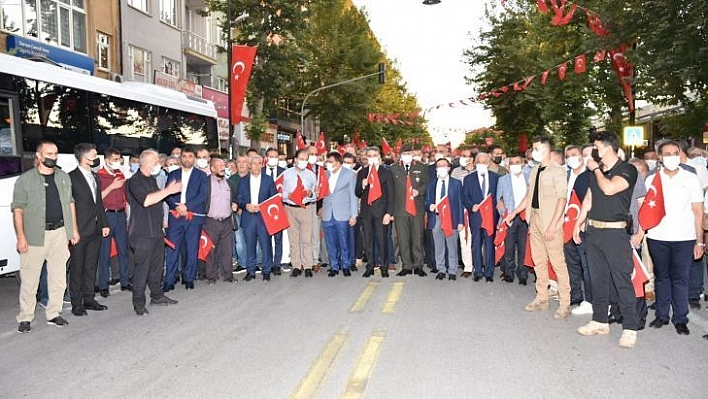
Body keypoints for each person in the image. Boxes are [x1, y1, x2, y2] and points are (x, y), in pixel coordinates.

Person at [573, 131, 639, 348]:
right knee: (597, 279)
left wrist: (595, 170)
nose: (594, 151)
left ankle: (630, 327)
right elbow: (590, 197)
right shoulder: (597, 172)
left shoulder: (627, 169)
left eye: (596, 147)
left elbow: (609, 189)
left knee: (621, 280)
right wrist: (578, 222)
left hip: (615, 233)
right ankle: (600, 320)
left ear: (607, 148)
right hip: (594, 232)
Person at [13, 141, 79, 332]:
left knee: (58, 277)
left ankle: (54, 313)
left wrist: (73, 230)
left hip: (59, 233)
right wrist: (21, 237)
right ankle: (25, 317)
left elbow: (70, 203)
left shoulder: (63, 177)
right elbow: (18, 209)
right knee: (30, 279)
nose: (53, 156)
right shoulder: (25, 180)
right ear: (39, 155)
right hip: (35, 235)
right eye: (48, 153)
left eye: (56, 153)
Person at [506, 136, 571, 320]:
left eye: (536, 148)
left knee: (558, 263)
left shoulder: (557, 171)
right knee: (539, 262)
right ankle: (542, 298)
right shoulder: (534, 171)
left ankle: (565, 302)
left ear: (546, 150)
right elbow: (529, 195)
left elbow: (562, 199)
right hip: (534, 222)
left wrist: (553, 225)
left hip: (551, 224)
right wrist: (514, 212)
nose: (533, 152)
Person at [644, 140, 703, 336]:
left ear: (680, 154)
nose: (671, 157)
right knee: (661, 277)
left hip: (684, 237)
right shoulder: (652, 179)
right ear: (660, 157)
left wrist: (699, 241)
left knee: (680, 279)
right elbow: (645, 210)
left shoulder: (690, 177)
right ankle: (661, 315)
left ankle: (680, 318)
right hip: (657, 236)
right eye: (667, 154)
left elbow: (697, 212)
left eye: (675, 153)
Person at [126, 149, 181, 315]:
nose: (159, 164)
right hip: (141, 233)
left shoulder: (152, 179)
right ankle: (138, 303)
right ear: (145, 163)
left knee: (156, 268)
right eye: (155, 162)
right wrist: (168, 191)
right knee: (142, 269)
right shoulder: (134, 181)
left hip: (156, 232)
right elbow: (146, 201)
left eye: (158, 161)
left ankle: (157, 295)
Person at [68, 143, 110, 317]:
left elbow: (98, 202)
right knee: (77, 267)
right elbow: (68, 205)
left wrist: (104, 223)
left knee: (91, 265)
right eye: (94, 154)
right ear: (84, 157)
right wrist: (73, 230)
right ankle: (77, 303)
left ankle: (89, 298)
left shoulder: (95, 177)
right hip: (79, 230)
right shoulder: (70, 177)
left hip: (95, 228)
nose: (96, 157)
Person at [164, 148, 208, 291]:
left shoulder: (201, 176)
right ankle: (169, 280)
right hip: (176, 217)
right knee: (172, 249)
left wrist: (187, 206)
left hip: (193, 217)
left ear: (194, 159)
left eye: (190, 156)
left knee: (192, 248)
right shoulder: (173, 174)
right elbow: (167, 194)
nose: (187, 159)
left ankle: (189, 278)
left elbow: (203, 195)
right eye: (184, 156)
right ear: (180, 159)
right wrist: (177, 207)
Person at [236, 155, 277, 281]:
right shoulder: (243, 181)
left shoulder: (268, 180)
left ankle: (266, 271)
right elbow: (239, 198)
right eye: (254, 163)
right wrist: (246, 205)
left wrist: (264, 207)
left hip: (264, 217)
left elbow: (273, 197)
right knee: (250, 245)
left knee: (266, 245)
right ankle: (251, 271)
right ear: (249, 165)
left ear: (262, 165)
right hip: (248, 217)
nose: (256, 166)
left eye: (259, 163)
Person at [561, 145, 592, 315]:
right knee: (571, 262)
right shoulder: (565, 175)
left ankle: (590, 299)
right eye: (568, 155)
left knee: (586, 265)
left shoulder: (588, 176)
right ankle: (576, 294)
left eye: (574, 154)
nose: (571, 158)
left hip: (583, 225)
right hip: (566, 224)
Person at [97, 148, 131, 297]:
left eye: (119, 160)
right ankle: (103, 284)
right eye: (115, 160)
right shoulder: (99, 176)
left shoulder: (120, 174)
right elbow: (97, 198)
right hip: (107, 215)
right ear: (107, 160)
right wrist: (112, 187)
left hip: (120, 214)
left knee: (123, 250)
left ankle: (125, 281)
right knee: (104, 251)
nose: (118, 163)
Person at [391, 144, 429, 277]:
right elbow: (390, 191)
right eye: (404, 153)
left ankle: (418, 264)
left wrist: (419, 191)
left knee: (418, 237)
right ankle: (406, 265)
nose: (407, 156)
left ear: (413, 154)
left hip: (417, 208)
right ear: (400, 155)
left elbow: (427, 184)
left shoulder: (421, 167)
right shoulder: (394, 168)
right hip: (400, 209)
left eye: (409, 153)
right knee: (403, 238)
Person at [356, 146, 394, 278]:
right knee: (368, 240)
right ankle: (370, 265)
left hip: (381, 212)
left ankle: (384, 266)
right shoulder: (362, 172)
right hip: (367, 212)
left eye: (374, 155)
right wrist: (362, 184)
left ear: (379, 157)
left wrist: (389, 213)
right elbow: (357, 192)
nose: (372, 157)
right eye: (369, 155)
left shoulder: (386, 172)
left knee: (382, 239)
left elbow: (391, 194)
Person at [463, 152, 499, 282]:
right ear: (475, 163)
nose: (482, 164)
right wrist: (471, 206)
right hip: (476, 216)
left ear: (488, 163)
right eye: (479, 162)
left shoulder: (496, 178)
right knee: (476, 244)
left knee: (489, 244)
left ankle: (489, 272)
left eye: (484, 162)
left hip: (490, 217)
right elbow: (465, 196)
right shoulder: (468, 179)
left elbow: (499, 197)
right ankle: (478, 271)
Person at [282, 149, 318, 277]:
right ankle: (296, 265)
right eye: (301, 159)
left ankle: (308, 266)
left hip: (305, 208)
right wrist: (289, 195)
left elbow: (316, 193)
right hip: (290, 209)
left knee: (306, 239)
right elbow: (279, 192)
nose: (303, 161)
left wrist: (311, 193)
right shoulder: (286, 174)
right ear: (295, 159)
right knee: (293, 239)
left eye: (305, 159)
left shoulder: (311, 175)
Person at [426, 158, 464, 280]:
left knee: (452, 245)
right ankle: (441, 269)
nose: (441, 168)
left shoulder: (456, 183)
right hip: (436, 218)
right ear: (436, 169)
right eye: (439, 166)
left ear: (448, 168)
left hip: (451, 218)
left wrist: (460, 221)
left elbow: (460, 203)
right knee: (439, 246)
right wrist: (429, 205)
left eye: (444, 165)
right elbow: (426, 201)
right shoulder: (432, 183)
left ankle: (452, 270)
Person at [321, 151, 358, 277]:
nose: (328, 164)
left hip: (343, 213)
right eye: (328, 162)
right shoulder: (324, 174)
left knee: (344, 241)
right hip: (327, 213)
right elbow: (320, 193)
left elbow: (353, 196)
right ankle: (334, 266)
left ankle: (346, 265)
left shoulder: (349, 175)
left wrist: (354, 214)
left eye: (331, 162)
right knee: (330, 242)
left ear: (338, 163)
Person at [204, 157, 238, 284]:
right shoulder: (205, 183)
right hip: (210, 222)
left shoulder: (229, 183)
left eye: (223, 165)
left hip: (227, 221)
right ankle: (211, 276)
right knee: (211, 250)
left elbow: (234, 198)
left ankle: (228, 275)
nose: (223, 168)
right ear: (212, 169)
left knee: (227, 249)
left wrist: (235, 204)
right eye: (219, 165)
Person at [496, 154, 529, 285]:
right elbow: (499, 200)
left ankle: (523, 273)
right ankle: (509, 273)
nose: (515, 165)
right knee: (509, 248)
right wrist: (504, 214)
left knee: (523, 247)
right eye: (512, 163)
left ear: (523, 164)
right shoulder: (503, 180)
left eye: (518, 162)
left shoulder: (529, 178)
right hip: (509, 217)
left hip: (526, 217)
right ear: (508, 166)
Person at [451, 147, 475, 277]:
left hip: (477, 210)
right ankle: (468, 267)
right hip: (462, 210)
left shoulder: (481, 171)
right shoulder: (456, 172)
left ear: (472, 158)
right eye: (463, 155)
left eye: (467, 156)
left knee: (477, 240)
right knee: (464, 239)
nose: (464, 158)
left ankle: (479, 264)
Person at [263, 148, 286, 275]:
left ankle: (276, 264)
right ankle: (267, 262)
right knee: (265, 239)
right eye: (271, 156)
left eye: (275, 156)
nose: (273, 158)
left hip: (279, 210)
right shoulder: (260, 172)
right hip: (264, 210)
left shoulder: (284, 173)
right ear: (266, 158)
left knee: (278, 239)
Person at [230, 155, 250, 270]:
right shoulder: (231, 179)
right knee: (239, 239)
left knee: (253, 239)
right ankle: (242, 263)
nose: (242, 164)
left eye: (244, 162)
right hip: (236, 214)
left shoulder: (253, 177)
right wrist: (237, 208)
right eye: (239, 162)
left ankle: (256, 262)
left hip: (251, 212)